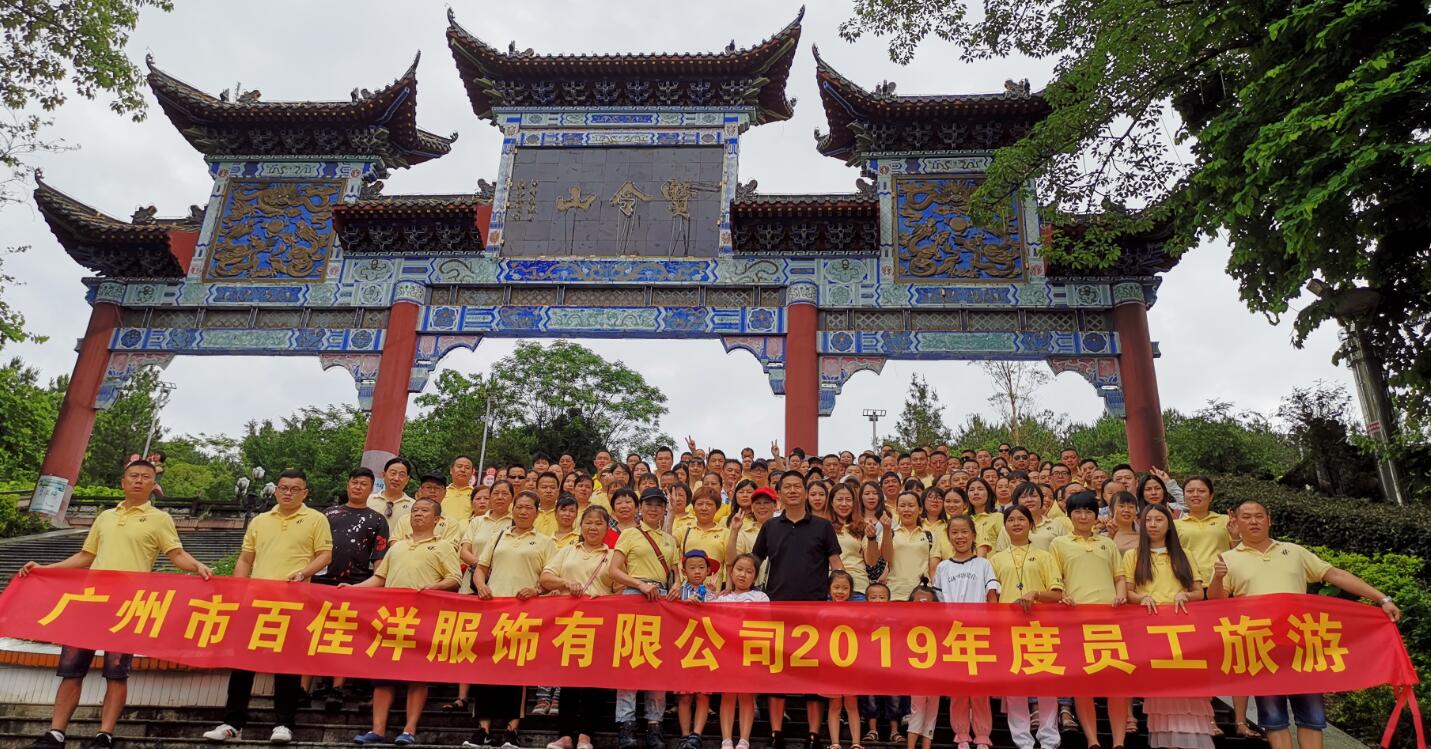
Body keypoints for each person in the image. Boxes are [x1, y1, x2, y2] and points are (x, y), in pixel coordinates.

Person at [20, 460, 212, 749]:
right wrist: (46, 569)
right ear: (123, 482)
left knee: (116, 671)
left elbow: (176, 554)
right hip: (91, 601)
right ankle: (56, 733)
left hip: (127, 606)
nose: (138, 480)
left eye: (145, 477)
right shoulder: (105, 517)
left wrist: (197, 566)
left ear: (154, 485)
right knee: (71, 669)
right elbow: (85, 556)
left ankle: (105, 735)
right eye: (133, 476)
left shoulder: (160, 519)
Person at [1210, 500, 1401, 749]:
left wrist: (1381, 598)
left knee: (1312, 717)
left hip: (1301, 644)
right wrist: (1218, 577)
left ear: (1269, 519)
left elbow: (1334, 574)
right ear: (1235, 521)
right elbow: (1216, 603)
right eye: (1246, 517)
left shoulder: (1294, 552)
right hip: (1262, 647)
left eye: (1259, 516)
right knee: (1274, 719)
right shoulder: (1227, 559)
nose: (1253, 521)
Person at [204, 469, 333, 744]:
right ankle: (232, 723)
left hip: (293, 602)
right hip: (256, 600)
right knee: (242, 661)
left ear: (305, 493)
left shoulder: (316, 519)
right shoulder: (261, 520)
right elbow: (245, 559)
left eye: (295, 489)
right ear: (276, 490)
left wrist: (304, 572)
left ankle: (284, 723)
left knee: (286, 662)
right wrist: (238, 591)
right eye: (284, 487)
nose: (288, 493)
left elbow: (325, 554)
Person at [346, 496, 460, 745]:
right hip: (391, 619)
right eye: (415, 510)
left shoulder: (443, 547)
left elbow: (454, 578)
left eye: (425, 511)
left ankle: (409, 729)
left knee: (417, 675)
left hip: (424, 619)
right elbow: (379, 578)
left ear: (437, 519)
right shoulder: (397, 547)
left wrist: (434, 587)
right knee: (382, 676)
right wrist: (353, 589)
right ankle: (377, 730)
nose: (418, 514)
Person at [752, 471, 844, 749]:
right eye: (787, 487)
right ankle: (776, 733)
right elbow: (754, 562)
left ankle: (814, 734)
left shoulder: (822, 526)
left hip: (815, 610)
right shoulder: (770, 527)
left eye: (797, 487)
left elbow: (836, 564)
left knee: (813, 673)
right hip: (777, 608)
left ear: (805, 492)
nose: (792, 491)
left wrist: (842, 594)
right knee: (777, 672)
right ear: (779, 493)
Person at [466, 491, 553, 749]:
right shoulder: (499, 536)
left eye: (529, 508)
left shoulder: (545, 542)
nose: (523, 512)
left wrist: (535, 590)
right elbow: (481, 569)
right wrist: (481, 586)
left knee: (517, 669)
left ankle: (511, 729)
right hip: (494, 610)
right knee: (486, 668)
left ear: (537, 512)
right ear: (513, 510)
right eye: (519, 507)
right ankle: (483, 729)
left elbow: (550, 578)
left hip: (525, 612)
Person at [1125, 504, 1212, 749]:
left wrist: (1186, 595)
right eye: (1148, 520)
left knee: (1188, 689)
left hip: (1183, 632)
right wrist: (1142, 598)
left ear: (1169, 524)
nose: (1153, 524)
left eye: (1159, 519)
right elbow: (1128, 591)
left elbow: (1198, 592)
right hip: (1151, 632)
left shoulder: (1185, 554)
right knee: (1161, 691)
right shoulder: (1133, 555)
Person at [1052, 492, 1130, 749]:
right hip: (1076, 621)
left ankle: (1119, 741)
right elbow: (1056, 579)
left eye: (1088, 511)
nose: (1083, 516)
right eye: (1078, 511)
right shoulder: (1059, 544)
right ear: (1069, 515)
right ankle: (1092, 740)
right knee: (1082, 682)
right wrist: (1063, 595)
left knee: (1116, 682)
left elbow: (1119, 576)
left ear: (1097, 516)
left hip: (1110, 620)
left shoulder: (1107, 544)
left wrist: (1120, 595)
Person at [1171, 476, 1246, 738]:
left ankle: (1240, 721)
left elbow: (1242, 552)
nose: (1195, 495)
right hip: (1192, 592)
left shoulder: (1226, 521)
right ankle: (1209, 717)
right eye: (1190, 491)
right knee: (1200, 657)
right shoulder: (1176, 524)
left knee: (1233, 655)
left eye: (1201, 491)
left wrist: (1235, 537)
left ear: (1211, 495)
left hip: (1223, 591)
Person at [311, 467, 390, 711]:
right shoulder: (327, 514)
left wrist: (377, 583)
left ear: (371, 489)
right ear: (348, 485)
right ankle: (305, 687)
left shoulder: (377, 520)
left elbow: (379, 557)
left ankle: (337, 687)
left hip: (356, 582)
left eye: (364, 484)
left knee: (345, 635)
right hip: (321, 580)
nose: (358, 487)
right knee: (313, 632)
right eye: (354, 482)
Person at [540, 506, 618, 749]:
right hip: (569, 624)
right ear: (580, 526)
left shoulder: (612, 555)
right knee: (568, 680)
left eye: (599, 523)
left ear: (607, 528)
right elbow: (545, 578)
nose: (593, 527)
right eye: (588, 522)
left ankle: (586, 735)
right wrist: (566, 583)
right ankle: (565, 735)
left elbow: (619, 592)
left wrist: (602, 600)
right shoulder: (567, 551)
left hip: (600, 625)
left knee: (595, 681)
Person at [608, 488, 680, 749]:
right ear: (641, 508)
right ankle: (626, 724)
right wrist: (639, 584)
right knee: (630, 660)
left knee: (657, 662)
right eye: (649, 504)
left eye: (659, 505)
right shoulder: (630, 534)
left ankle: (654, 723)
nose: (653, 509)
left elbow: (676, 574)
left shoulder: (670, 540)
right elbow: (613, 570)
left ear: (664, 510)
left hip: (661, 600)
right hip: (634, 596)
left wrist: (677, 586)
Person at [989, 506, 1064, 749]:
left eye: (1021, 519)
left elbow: (1057, 593)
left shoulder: (1045, 556)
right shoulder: (995, 559)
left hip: (1041, 628)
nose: (1016, 523)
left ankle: (1049, 738)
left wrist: (1036, 594)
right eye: (1011, 520)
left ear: (1031, 524)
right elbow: (991, 597)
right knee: (1015, 685)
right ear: (1005, 526)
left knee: (1046, 683)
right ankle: (1022, 740)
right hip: (1008, 629)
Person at [932, 516, 999, 749]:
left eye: (964, 532)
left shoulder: (983, 564)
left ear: (973, 535)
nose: (960, 537)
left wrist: (991, 626)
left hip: (979, 633)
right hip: (953, 634)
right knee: (958, 687)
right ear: (948, 537)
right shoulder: (943, 567)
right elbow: (938, 601)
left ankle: (982, 735)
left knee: (980, 687)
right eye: (954, 532)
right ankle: (961, 734)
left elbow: (992, 596)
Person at [716, 554, 768, 749]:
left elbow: (765, 623)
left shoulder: (761, 597)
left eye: (749, 571)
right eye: (739, 569)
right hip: (727, 653)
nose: (743, 575)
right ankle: (726, 740)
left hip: (750, 653)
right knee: (727, 695)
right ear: (731, 572)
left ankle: (744, 740)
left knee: (747, 695)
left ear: (755, 577)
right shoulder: (722, 598)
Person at [675, 550, 718, 749]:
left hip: (706, 649)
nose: (697, 571)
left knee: (703, 694)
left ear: (708, 570)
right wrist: (684, 604)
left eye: (701, 567)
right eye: (692, 568)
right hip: (684, 648)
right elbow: (669, 612)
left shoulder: (712, 592)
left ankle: (696, 734)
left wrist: (712, 596)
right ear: (684, 571)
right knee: (684, 695)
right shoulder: (677, 592)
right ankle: (684, 735)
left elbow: (720, 618)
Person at [822, 570, 864, 749]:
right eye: (836, 587)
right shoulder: (822, 611)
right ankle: (835, 743)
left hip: (852, 664)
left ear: (851, 591)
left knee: (852, 705)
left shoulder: (856, 612)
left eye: (845, 588)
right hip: (830, 665)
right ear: (829, 589)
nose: (840, 591)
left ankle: (856, 743)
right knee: (834, 704)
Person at [859, 583, 905, 745]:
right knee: (870, 699)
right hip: (870, 666)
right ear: (866, 600)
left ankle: (894, 731)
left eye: (882, 597)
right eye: (873, 597)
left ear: (888, 600)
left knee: (894, 700)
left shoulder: (894, 621)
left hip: (891, 666)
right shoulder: (862, 620)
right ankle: (872, 730)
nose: (878, 600)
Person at [831, 483, 884, 599]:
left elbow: (872, 562)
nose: (844, 504)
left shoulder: (862, 527)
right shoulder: (823, 527)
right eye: (839, 499)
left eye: (848, 500)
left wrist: (871, 538)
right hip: (831, 587)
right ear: (831, 502)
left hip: (858, 586)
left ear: (854, 503)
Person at [904, 584, 941, 749]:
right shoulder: (907, 624)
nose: (923, 606)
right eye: (919, 603)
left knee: (932, 712)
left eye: (927, 604)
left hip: (936, 674)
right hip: (916, 674)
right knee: (917, 710)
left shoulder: (940, 625)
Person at [888, 491, 939, 601]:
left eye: (911, 505)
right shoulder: (890, 534)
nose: (906, 509)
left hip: (922, 595)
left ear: (920, 509)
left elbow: (933, 569)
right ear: (896, 509)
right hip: (895, 593)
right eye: (902, 506)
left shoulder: (929, 536)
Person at [367, 457, 413, 524]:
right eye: (393, 473)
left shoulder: (414, 506)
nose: (396, 478)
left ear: (407, 480)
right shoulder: (368, 500)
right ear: (384, 475)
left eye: (401, 475)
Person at [445, 456, 476, 525]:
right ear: (451, 470)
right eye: (459, 466)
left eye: (467, 468)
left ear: (472, 472)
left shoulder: (476, 495)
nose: (463, 470)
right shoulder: (442, 492)